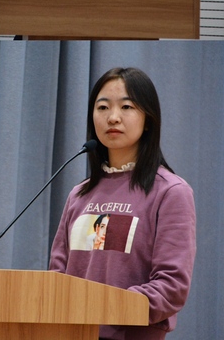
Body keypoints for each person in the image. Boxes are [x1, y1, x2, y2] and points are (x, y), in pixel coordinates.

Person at [49, 67, 196, 340]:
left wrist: (105, 307)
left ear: (148, 119)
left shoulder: (171, 192)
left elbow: (171, 286)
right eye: (103, 107)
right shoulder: (79, 194)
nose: (113, 117)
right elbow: (57, 275)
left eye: (126, 107)